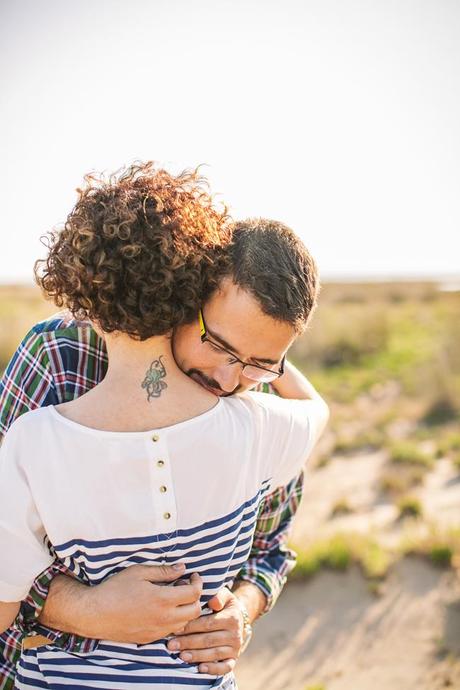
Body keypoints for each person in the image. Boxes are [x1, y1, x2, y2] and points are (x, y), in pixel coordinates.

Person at [0, 164, 328, 689]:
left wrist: (240, 612)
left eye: (261, 362)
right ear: (187, 295)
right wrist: (85, 610)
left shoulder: (257, 400)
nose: (227, 379)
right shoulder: (60, 356)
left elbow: (272, 547)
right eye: (219, 346)